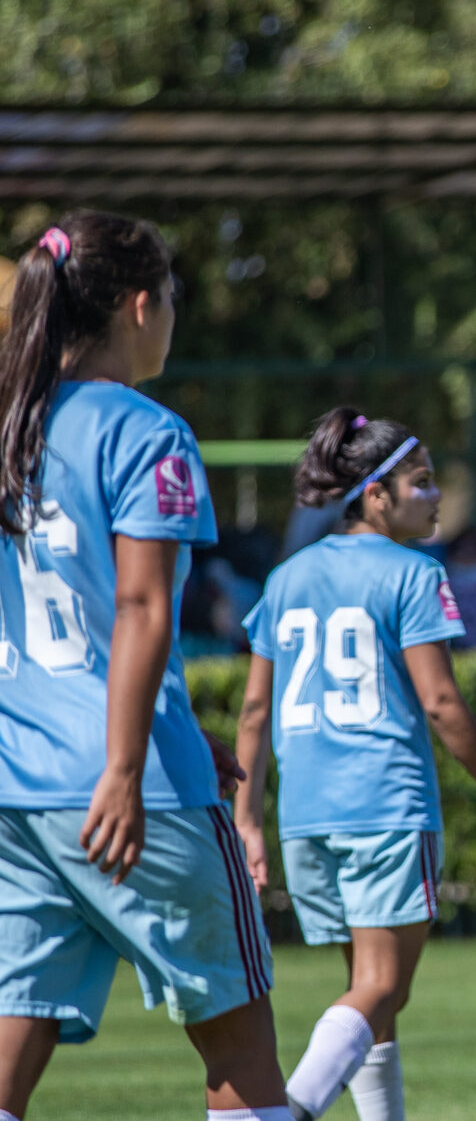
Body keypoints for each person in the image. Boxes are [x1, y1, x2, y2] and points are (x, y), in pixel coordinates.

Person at [0, 211, 290, 1121]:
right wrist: (128, 763)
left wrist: (172, 727)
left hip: (19, 791)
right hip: (131, 793)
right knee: (243, 1062)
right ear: (136, 305)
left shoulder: (13, 427)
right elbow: (138, 606)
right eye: (169, 298)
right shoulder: (148, 431)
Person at [233, 408, 476, 1121]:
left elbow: (254, 712)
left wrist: (249, 817)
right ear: (375, 494)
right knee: (381, 987)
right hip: (385, 804)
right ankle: (286, 1110)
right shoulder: (412, 572)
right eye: (422, 482)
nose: (435, 496)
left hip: (307, 815)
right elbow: (441, 703)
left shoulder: (286, 577)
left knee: (372, 995)